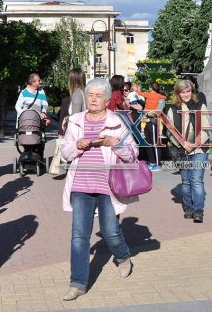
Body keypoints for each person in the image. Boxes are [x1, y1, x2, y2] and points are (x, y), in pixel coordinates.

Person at [60, 78, 137, 301]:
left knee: (111, 231)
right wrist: (76, 145)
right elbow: (65, 152)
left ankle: (123, 257)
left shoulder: (117, 122)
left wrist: (115, 142)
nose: (93, 99)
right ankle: (78, 283)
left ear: (106, 100)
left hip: (108, 186)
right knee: (79, 236)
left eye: (98, 96)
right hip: (81, 186)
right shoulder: (75, 121)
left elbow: (132, 154)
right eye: (90, 95)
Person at [167, 80, 211, 222]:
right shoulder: (172, 109)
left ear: (192, 92)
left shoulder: (200, 105)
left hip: (199, 149)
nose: (186, 94)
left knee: (196, 180)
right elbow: (170, 131)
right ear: (178, 93)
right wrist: (183, 143)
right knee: (186, 181)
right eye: (183, 92)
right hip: (182, 150)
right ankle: (188, 207)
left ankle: (198, 209)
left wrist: (197, 142)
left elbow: (206, 127)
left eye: (188, 91)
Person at [135, 83, 167, 171]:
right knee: (148, 143)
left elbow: (158, 112)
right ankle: (152, 161)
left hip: (153, 122)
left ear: (150, 88)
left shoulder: (159, 98)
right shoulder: (156, 96)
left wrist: (148, 114)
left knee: (155, 143)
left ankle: (158, 164)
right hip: (146, 120)